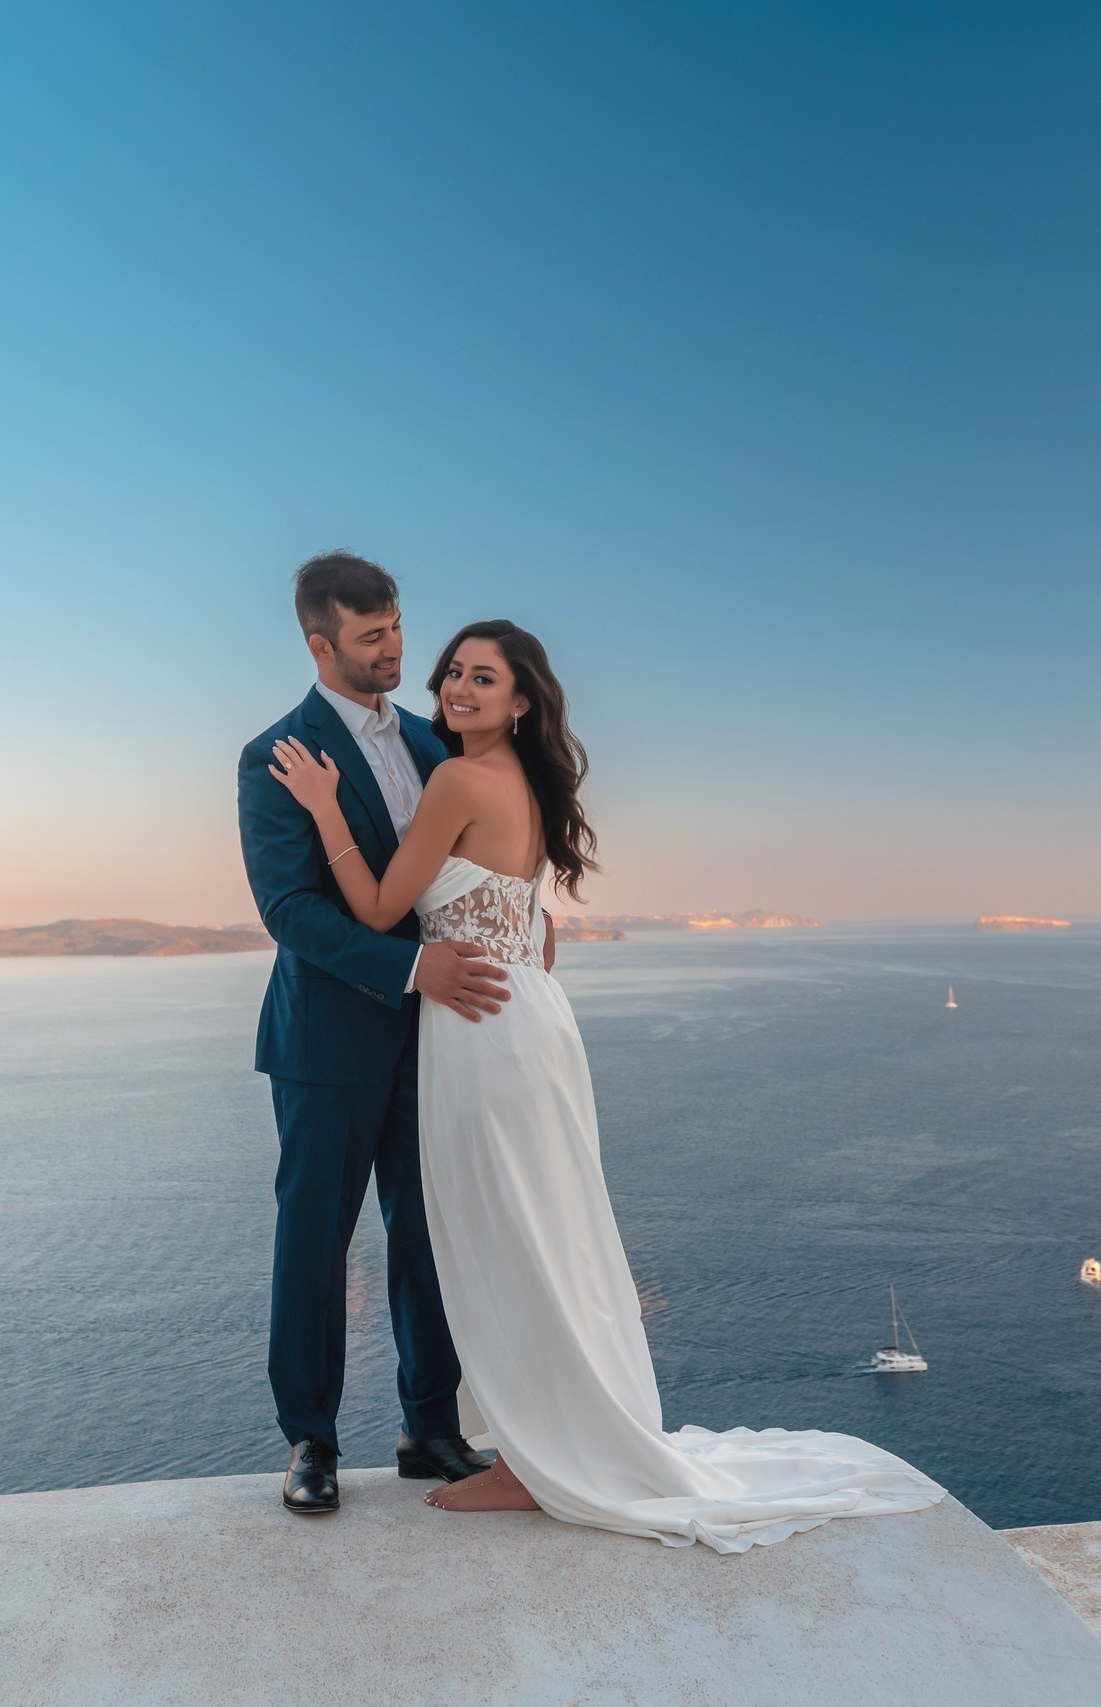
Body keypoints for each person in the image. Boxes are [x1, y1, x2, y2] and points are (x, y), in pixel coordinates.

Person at [267, 616, 948, 1553]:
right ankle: (519, 1440)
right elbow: (505, 898)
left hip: (478, 1031)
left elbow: (385, 905)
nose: (457, 688)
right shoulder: (518, 779)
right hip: (525, 1019)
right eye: (453, 672)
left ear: (522, 699)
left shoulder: (456, 772)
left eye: (483, 677)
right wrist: (517, 925)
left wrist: (326, 807)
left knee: (512, 1244)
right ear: (324, 638)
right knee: (550, 1233)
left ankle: (521, 1458)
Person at [235, 552, 509, 1517]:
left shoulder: (442, 743)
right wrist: (404, 967)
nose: (397, 649)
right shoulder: (276, 754)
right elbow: (290, 910)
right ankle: (311, 1440)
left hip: (436, 1035)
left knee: (428, 1233)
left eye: (396, 626)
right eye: (371, 637)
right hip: (327, 1043)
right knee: (315, 1238)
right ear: (320, 644)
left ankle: (430, 1426)